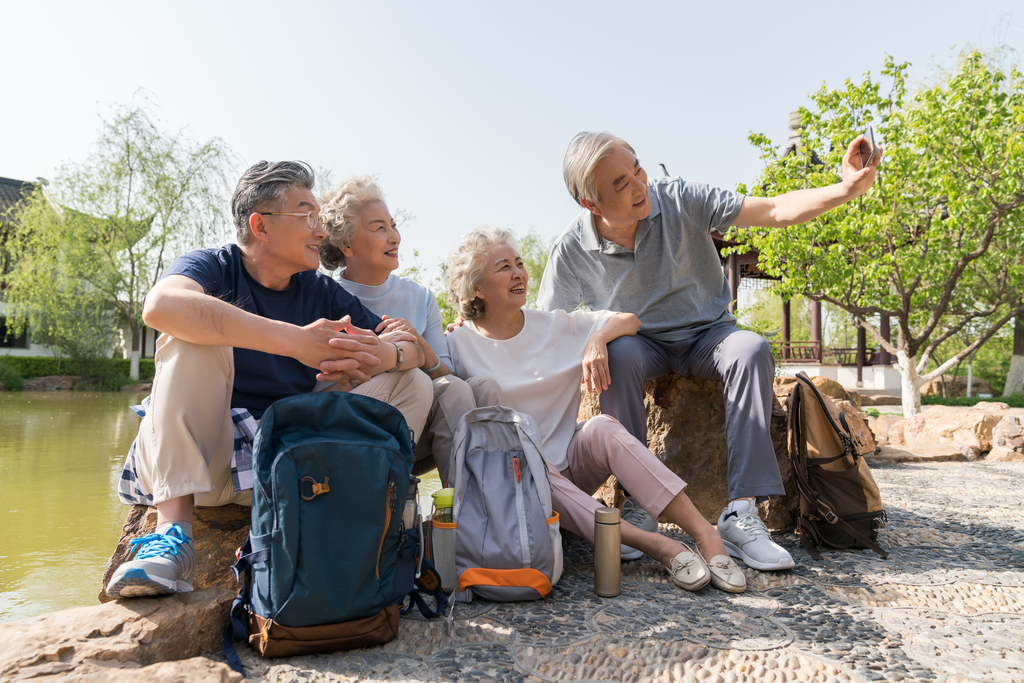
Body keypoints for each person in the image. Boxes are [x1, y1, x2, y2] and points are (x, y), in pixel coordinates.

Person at [537, 131, 882, 570]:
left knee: (752, 349)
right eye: (621, 184)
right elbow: (545, 328)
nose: (640, 186)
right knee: (618, 355)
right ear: (591, 204)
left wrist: (846, 188)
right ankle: (641, 503)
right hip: (641, 343)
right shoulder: (571, 248)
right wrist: (476, 326)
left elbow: (773, 209)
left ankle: (741, 512)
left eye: (638, 169)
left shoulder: (680, 199)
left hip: (710, 334)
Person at [106, 161, 433, 599]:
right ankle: (173, 537)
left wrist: (386, 354)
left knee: (414, 384)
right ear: (260, 225)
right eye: (307, 216)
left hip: (281, 467)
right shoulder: (214, 267)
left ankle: (352, 518)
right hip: (207, 459)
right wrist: (295, 342)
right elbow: (161, 306)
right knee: (187, 336)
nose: (321, 231)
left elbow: (415, 352)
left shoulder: (321, 290)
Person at [445, 226, 747, 594]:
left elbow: (630, 320)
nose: (519, 272)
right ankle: (660, 546)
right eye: (504, 266)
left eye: (520, 264)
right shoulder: (458, 343)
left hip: (570, 465)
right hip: (515, 483)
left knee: (602, 427)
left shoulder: (554, 325)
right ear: (477, 288)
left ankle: (705, 534)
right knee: (529, 458)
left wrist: (597, 339)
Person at [319, 175, 497, 484]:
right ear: (346, 244)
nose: (394, 237)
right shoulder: (325, 297)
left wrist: (417, 348)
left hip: (426, 427)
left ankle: (484, 505)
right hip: (361, 428)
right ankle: (471, 518)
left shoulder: (420, 297)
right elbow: (324, 387)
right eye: (379, 228)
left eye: (393, 225)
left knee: (483, 387)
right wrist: (390, 358)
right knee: (437, 384)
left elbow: (446, 377)